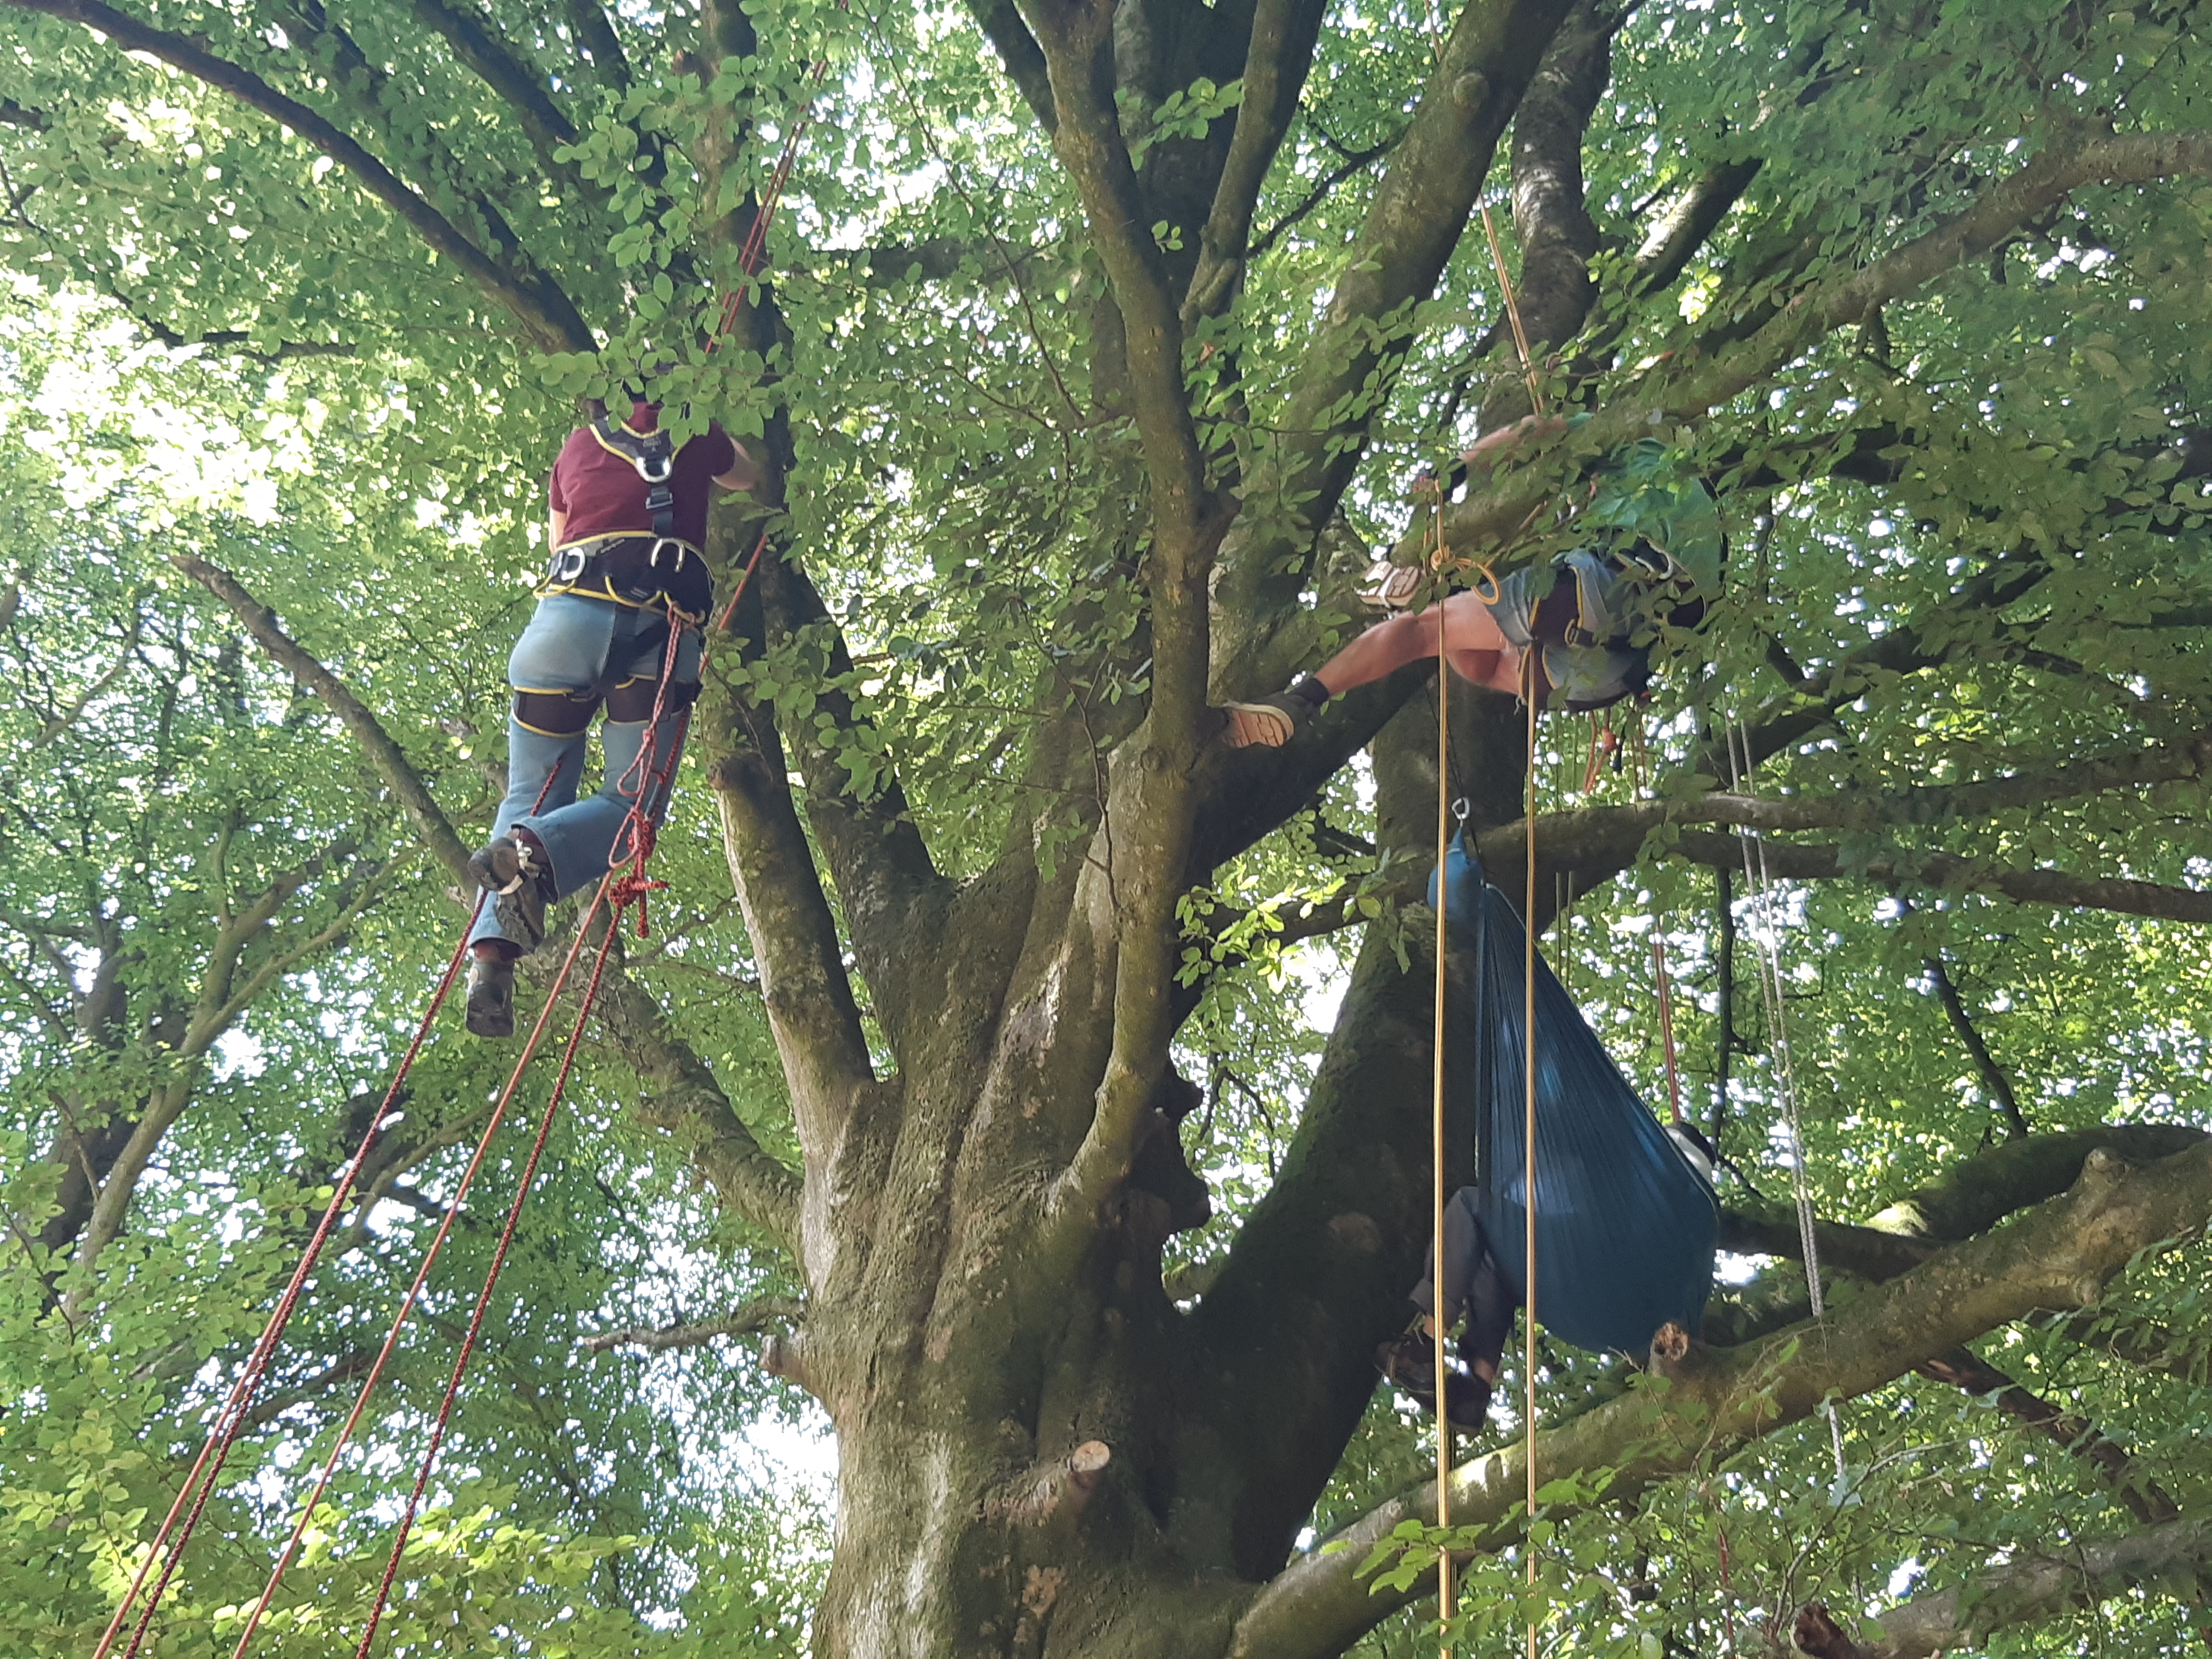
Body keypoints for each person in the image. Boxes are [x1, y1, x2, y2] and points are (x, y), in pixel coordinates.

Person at [464, 392, 761, 1037]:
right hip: (658, 634)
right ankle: (535, 854)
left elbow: (557, 538)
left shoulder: (576, 447)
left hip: (560, 628)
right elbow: (748, 474)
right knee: (632, 811)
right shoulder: (695, 427)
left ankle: (492, 956)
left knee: (528, 790)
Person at [1222, 415, 1722, 746]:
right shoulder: (1712, 534)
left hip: (1603, 590)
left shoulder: (1638, 439)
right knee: (1479, 664)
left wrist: (1456, 468)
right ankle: (1431, 601)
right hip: (1615, 670)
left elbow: (1535, 428)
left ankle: (1300, 701)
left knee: (1424, 631)